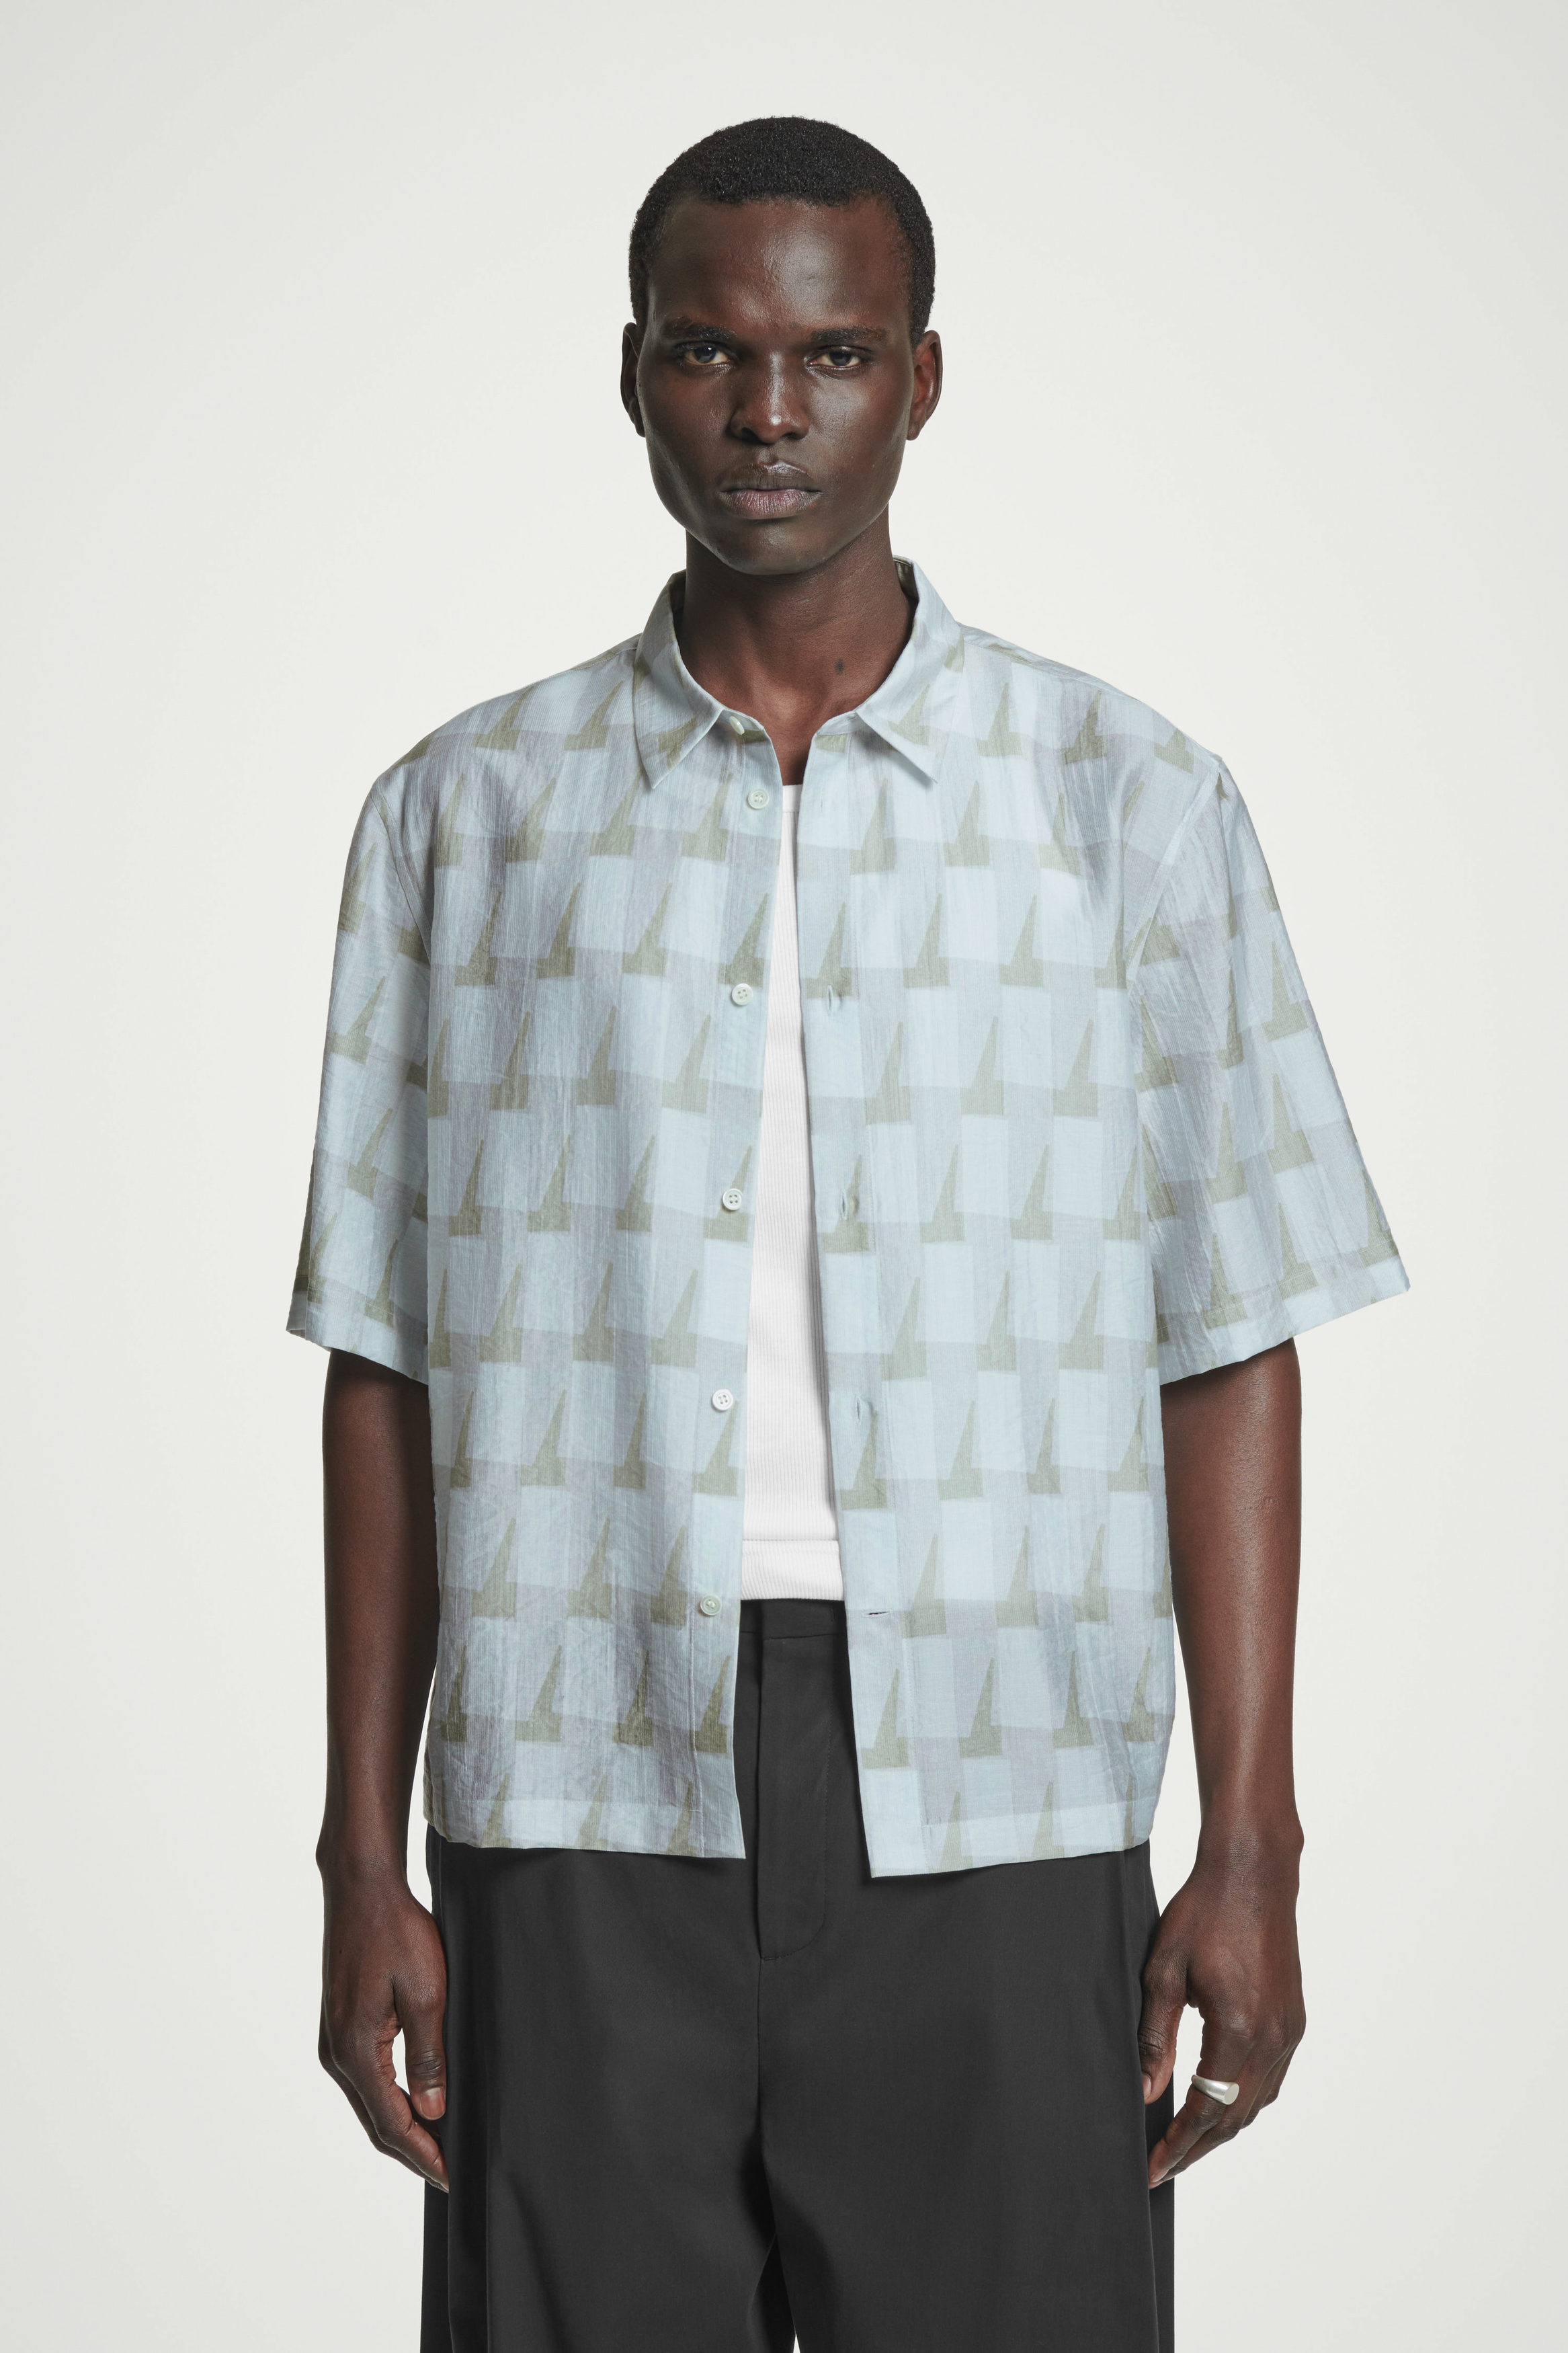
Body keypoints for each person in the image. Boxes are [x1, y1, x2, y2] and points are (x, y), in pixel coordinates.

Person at [290, 115, 1408, 2353]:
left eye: (832, 355)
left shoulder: (1130, 806)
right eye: (710, 351)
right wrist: (358, 1850)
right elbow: (389, 1366)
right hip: (581, 1769)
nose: (769, 412)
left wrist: (1253, 1839)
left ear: (921, 379)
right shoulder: (464, 820)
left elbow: (1230, 1339)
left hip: (1005, 1777)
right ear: (635, 374)